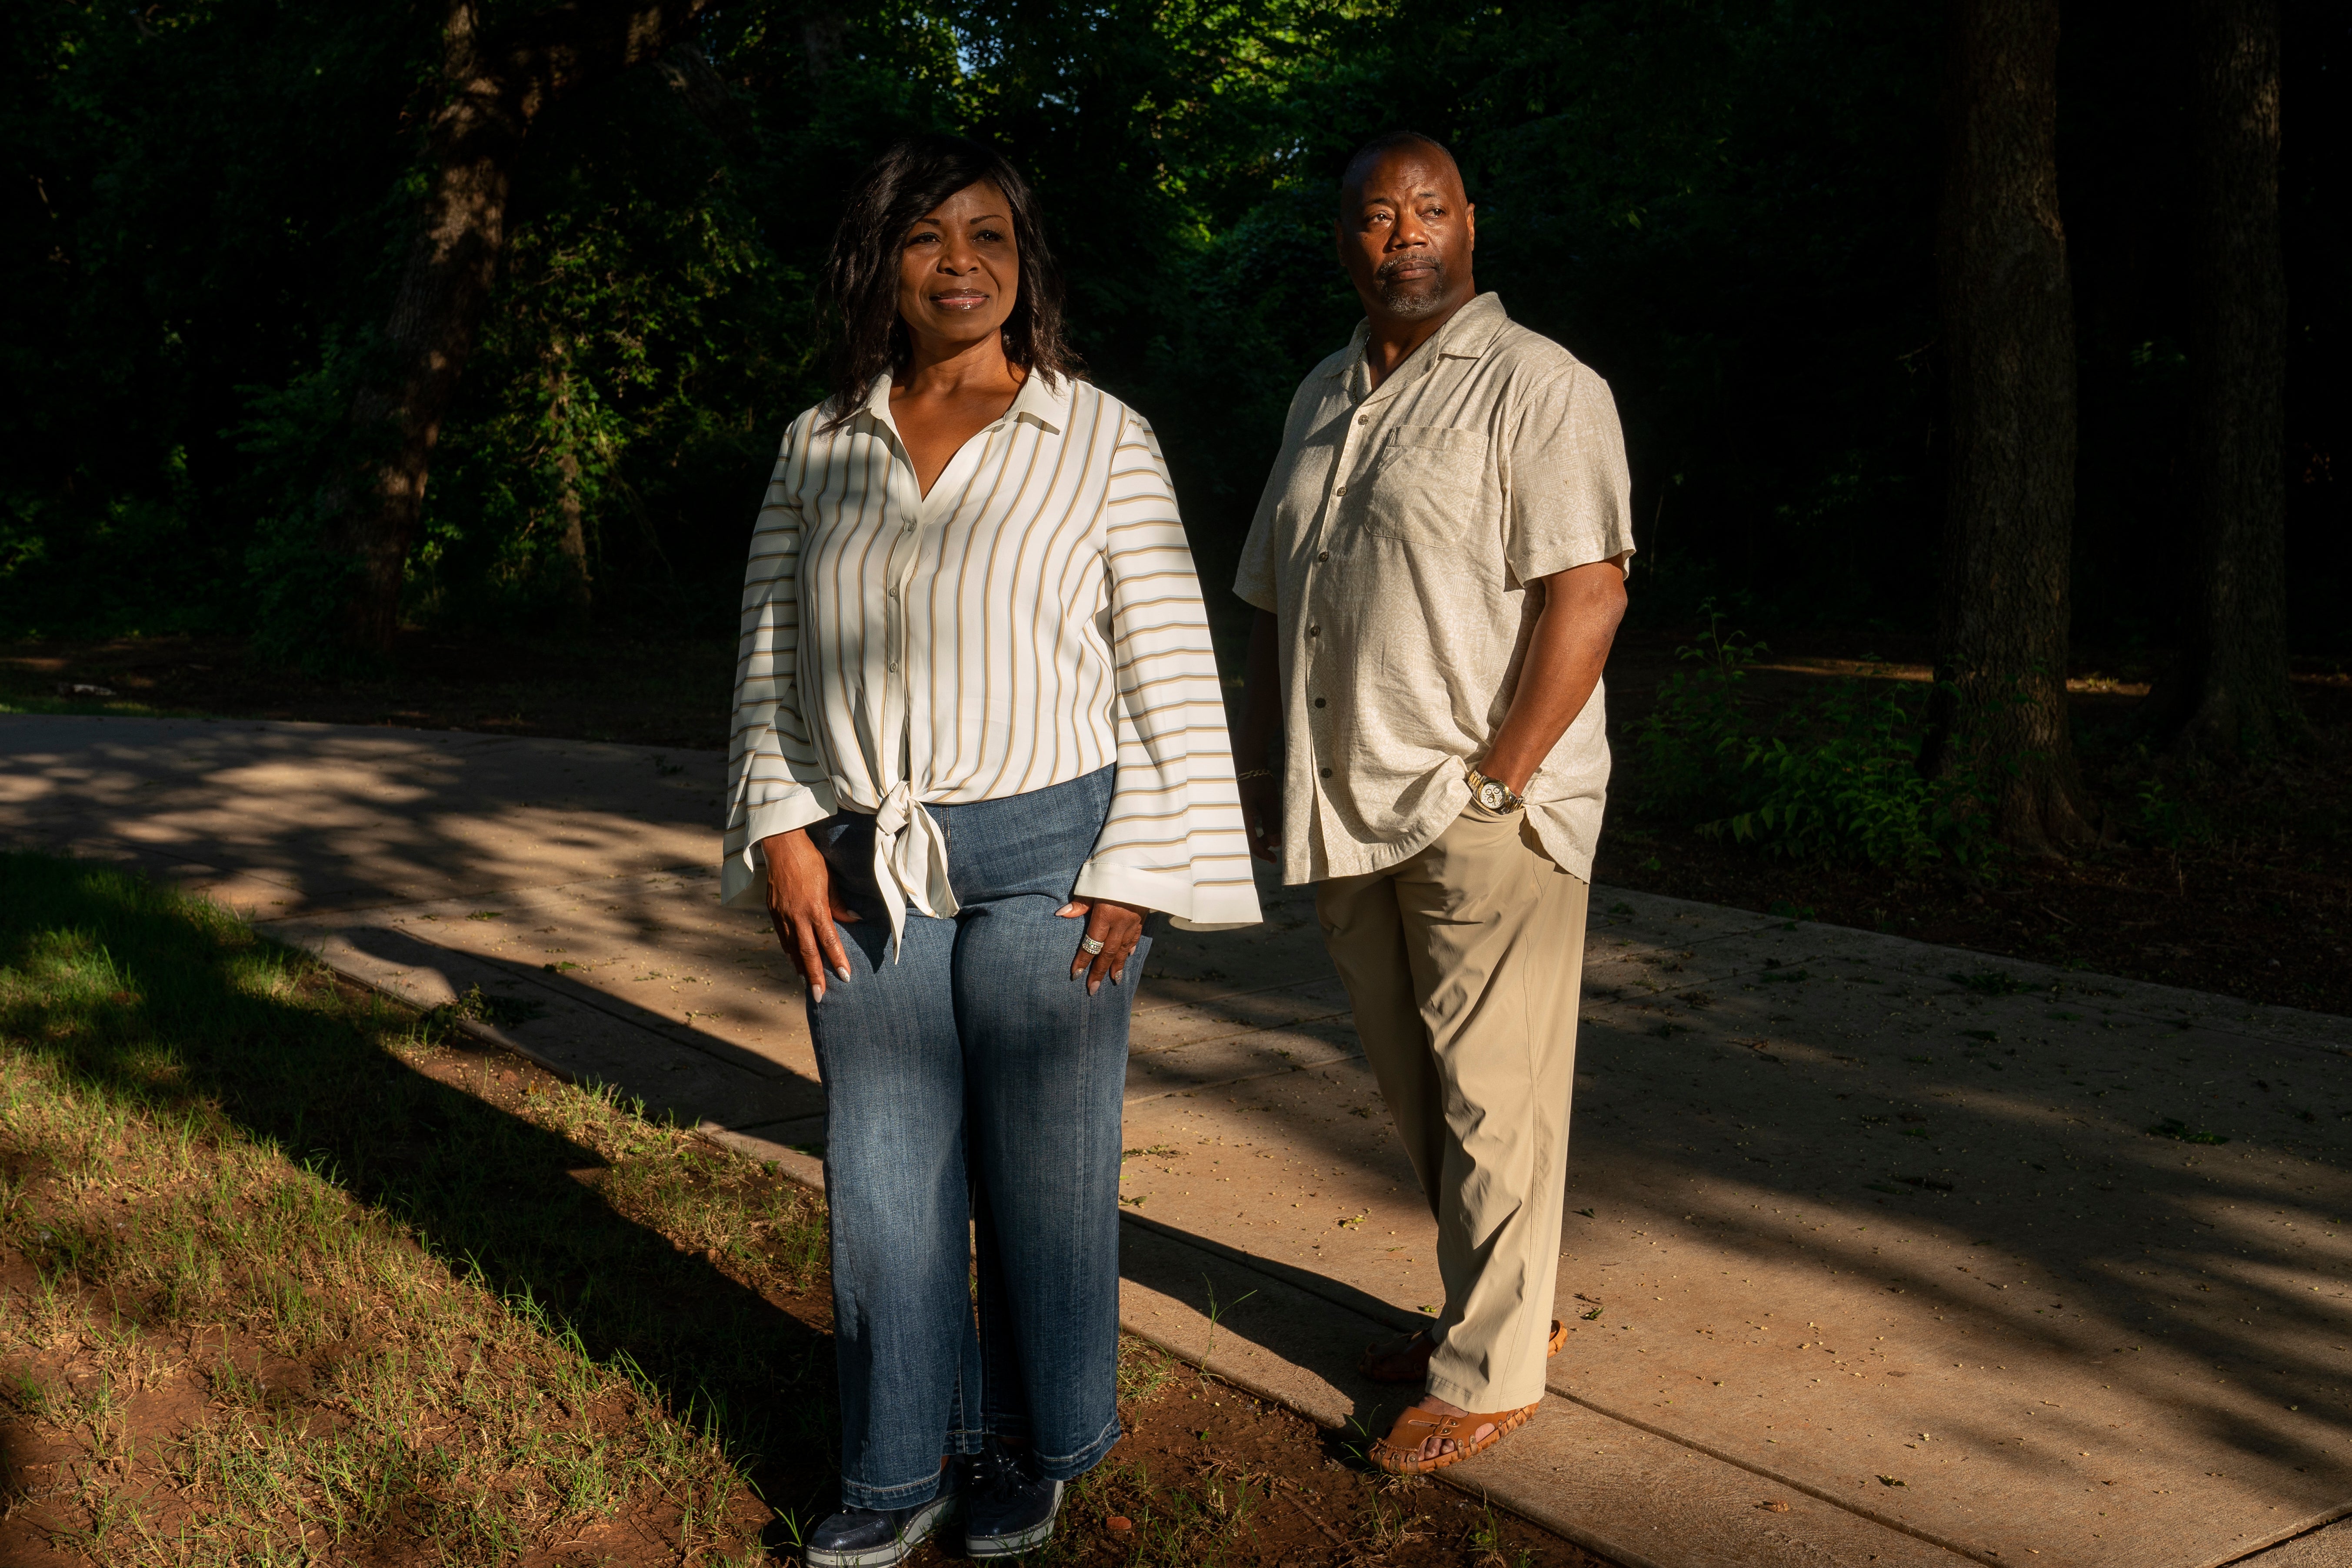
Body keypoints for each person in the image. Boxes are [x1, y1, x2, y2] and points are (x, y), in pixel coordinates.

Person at [720, 134, 1260, 1566]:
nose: (959, 263)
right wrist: (778, 827)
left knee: (1044, 1163)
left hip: (1054, 849)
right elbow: (770, 647)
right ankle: (900, 1465)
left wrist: (1139, 862)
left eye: (989, 237)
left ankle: (1041, 1442)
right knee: (886, 1166)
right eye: (924, 237)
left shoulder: (1099, 435)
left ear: (1025, 268)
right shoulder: (819, 440)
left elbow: (1165, 660)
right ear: (879, 264)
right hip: (858, 859)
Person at [1231, 130, 1634, 1476]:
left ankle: (1493, 1371)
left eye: (1427, 208)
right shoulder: (1320, 397)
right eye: (1372, 214)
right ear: (1340, 240)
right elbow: (1275, 606)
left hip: (1480, 800)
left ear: (1472, 222)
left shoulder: (1541, 388)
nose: (1401, 232)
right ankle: (1488, 1303)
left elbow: (1589, 596)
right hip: (1345, 804)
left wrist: (1498, 782)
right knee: (1420, 1089)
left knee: (1493, 1097)